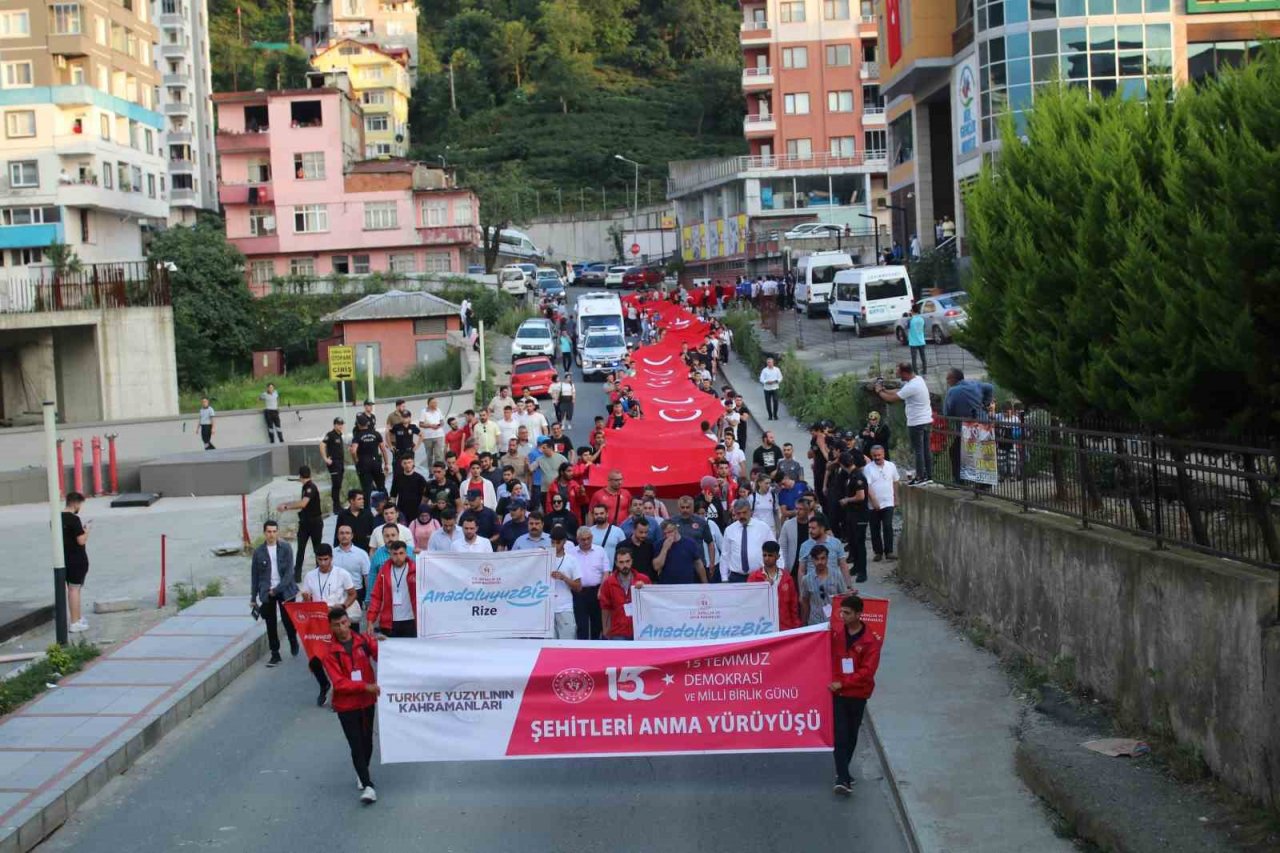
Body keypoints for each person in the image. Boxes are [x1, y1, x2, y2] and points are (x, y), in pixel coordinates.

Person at [321, 607, 380, 805]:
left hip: (367, 702)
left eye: (344, 623)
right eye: (336, 625)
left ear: (349, 621)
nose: (342, 628)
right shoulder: (330, 653)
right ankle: (368, 784)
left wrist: (388, 646)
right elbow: (339, 683)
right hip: (347, 706)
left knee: (367, 742)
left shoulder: (363, 641)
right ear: (331, 627)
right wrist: (366, 686)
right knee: (355, 744)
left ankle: (362, 771)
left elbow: (382, 656)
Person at [830, 594, 883, 796]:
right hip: (839, 693)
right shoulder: (835, 632)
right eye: (841, 611)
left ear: (859, 615)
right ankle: (842, 778)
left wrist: (842, 682)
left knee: (851, 735)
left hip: (858, 694)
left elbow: (867, 672)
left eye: (847, 613)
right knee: (841, 734)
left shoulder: (871, 642)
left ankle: (844, 772)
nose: (842, 616)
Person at [300, 544, 359, 706]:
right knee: (315, 659)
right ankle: (324, 684)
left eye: (326, 559)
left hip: (337, 619)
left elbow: (353, 593)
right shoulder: (310, 576)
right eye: (320, 560)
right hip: (319, 622)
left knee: (339, 658)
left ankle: (340, 693)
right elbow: (307, 600)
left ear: (331, 558)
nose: (323, 563)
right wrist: (306, 599)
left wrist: (344, 607)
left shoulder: (342, 574)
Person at [250, 520, 299, 666]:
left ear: (277, 532)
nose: (271, 534)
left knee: (288, 619)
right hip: (267, 592)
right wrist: (253, 597)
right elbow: (255, 576)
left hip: (285, 589)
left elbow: (290, 573)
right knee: (270, 624)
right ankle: (275, 654)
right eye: (269, 532)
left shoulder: (286, 548)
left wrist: (276, 589)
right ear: (264, 533)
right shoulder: (258, 552)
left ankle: (292, 639)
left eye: (274, 531)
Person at [877, 362, 934, 485]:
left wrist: (879, 392)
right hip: (926, 420)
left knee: (918, 450)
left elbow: (892, 399)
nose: (898, 375)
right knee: (926, 449)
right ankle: (929, 475)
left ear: (905, 373)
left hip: (916, 422)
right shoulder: (918, 380)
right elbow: (900, 391)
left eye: (899, 373)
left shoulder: (912, 386)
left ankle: (920, 477)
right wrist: (885, 389)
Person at [943, 368, 996, 480]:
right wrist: (985, 404)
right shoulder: (975, 384)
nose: (947, 381)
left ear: (953, 379)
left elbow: (947, 412)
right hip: (983, 424)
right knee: (983, 454)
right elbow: (990, 387)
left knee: (956, 452)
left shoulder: (952, 391)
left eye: (948, 378)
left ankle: (959, 481)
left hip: (967, 427)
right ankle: (984, 484)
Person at [277, 465, 323, 580]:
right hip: (306, 522)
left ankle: (319, 572)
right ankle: (297, 575)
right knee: (301, 549)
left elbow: (303, 504)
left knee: (316, 549)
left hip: (314, 523)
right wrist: (287, 503)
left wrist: (286, 507)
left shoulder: (310, 488)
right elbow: (300, 502)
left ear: (300, 476)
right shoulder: (306, 487)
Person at [366, 540, 416, 637]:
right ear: (390, 554)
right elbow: (376, 597)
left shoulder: (415, 570)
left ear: (406, 553)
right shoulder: (384, 571)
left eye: (401, 553)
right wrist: (370, 620)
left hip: (411, 619)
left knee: (411, 651)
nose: (398, 557)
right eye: (395, 554)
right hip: (389, 621)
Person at [599, 548, 650, 640]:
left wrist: (644, 590)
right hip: (618, 630)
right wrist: (606, 630)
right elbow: (605, 608)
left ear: (632, 561)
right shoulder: (608, 583)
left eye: (627, 561)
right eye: (621, 562)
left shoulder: (643, 579)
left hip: (640, 629)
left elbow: (651, 603)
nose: (625, 565)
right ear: (616, 563)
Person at [748, 541, 800, 630]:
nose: (767, 558)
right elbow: (749, 603)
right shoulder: (754, 577)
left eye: (770, 555)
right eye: (764, 555)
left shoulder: (787, 578)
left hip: (785, 626)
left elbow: (793, 605)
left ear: (777, 557)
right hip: (762, 627)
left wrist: (796, 627)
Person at [570, 526, 609, 639]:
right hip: (579, 592)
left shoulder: (600, 551)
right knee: (581, 624)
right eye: (583, 539)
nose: (586, 542)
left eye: (588, 538)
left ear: (592, 537)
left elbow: (606, 572)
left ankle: (596, 648)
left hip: (596, 591)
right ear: (578, 539)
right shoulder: (571, 553)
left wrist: (601, 590)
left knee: (597, 623)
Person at [721, 498, 773, 582]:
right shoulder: (729, 530)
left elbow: (774, 549)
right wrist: (724, 578)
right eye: (738, 513)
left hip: (759, 576)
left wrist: (776, 573)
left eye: (744, 512)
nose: (742, 516)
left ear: (750, 512)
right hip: (736, 578)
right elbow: (725, 555)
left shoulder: (763, 527)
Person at [62, 492, 92, 633]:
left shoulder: (56, 518)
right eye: (80, 504)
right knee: (74, 589)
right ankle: (74, 622)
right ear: (75, 503)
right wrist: (87, 530)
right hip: (76, 559)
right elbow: (81, 540)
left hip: (64, 559)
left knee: (73, 588)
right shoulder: (74, 520)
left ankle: (78, 618)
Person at [839, 451, 871, 582]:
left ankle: (862, 572)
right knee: (853, 541)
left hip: (860, 514)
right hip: (851, 514)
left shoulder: (857, 476)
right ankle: (856, 567)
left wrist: (847, 500)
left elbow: (861, 496)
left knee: (859, 543)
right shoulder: (851, 475)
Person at [865, 445, 900, 562]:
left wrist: (896, 497)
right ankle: (878, 552)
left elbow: (895, 482)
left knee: (888, 527)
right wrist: (874, 500)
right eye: (874, 456)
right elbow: (868, 486)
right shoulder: (868, 468)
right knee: (875, 528)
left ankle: (889, 551)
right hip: (873, 504)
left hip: (888, 502)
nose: (877, 457)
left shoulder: (891, 466)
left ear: (883, 454)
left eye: (879, 455)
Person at [799, 545, 849, 626]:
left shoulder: (837, 576)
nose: (820, 562)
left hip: (834, 622)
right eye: (817, 559)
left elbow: (844, 598)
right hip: (815, 623)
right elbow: (805, 602)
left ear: (827, 558)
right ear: (812, 560)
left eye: (823, 558)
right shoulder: (806, 579)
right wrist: (804, 624)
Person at [547, 526, 582, 639]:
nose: (555, 545)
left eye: (558, 542)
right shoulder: (544, 558)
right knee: (549, 646)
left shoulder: (572, 560)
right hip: (547, 609)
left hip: (565, 607)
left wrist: (564, 578)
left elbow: (578, 587)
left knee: (567, 643)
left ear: (565, 541)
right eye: (552, 542)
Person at [653, 519, 708, 584]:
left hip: (687, 585)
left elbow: (698, 564)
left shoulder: (690, 543)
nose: (667, 535)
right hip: (667, 586)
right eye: (665, 533)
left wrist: (705, 583)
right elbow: (656, 567)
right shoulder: (659, 544)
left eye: (670, 532)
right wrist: (664, 549)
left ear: (676, 529)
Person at [798, 515, 850, 582]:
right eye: (809, 528)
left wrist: (849, 586)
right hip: (813, 588)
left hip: (834, 587)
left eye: (813, 528)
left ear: (822, 528)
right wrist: (802, 591)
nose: (810, 531)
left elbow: (843, 566)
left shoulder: (836, 543)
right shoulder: (805, 546)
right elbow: (801, 571)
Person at [351, 417, 389, 499]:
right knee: (381, 486)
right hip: (375, 462)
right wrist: (386, 464)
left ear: (358, 425)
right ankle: (387, 504)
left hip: (364, 463)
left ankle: (367, 509)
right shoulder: (376, 434)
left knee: (367, 489)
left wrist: (356, 461)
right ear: (367, 424)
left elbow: (353, 450)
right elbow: (383, 450)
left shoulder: (358, 435)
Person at [332, 523, 371, 602]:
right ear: (338, 536)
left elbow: (367, 577)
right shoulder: (331, 554)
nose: (344, 536)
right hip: (335, 593)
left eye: (347, 533)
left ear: (352, 536)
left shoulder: (361, 554)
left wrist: (368, 597)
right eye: (341, 533)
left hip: (356, 592)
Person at [389, 454, 429, 523]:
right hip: (401, 511)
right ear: (401, 464)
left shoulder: (420, 479)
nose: (407, 465)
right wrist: (393, 511)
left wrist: (422, 509)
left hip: (416, 511)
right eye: (405, 463)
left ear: (413, 463)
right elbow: (393, 495)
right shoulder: (397, 478)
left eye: (409, 462)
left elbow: (425, 496)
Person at [319, 418, 347, 515]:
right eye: (338, 424)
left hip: (340, 463)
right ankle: (336, 507)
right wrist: (325, 458)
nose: (340, 426)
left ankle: (338, 505)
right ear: (334, 425)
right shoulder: (330, 435)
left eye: (341, 424)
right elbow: (322, 445)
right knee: (336, 485)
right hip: (334, 463)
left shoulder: (339, 435)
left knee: (338, 485)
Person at [906, 305, 927, 376]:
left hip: (913, 342)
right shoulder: (922, 319)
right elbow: (924, 327)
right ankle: (924, 371)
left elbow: (907, 328)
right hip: (921, 341)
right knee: (923, 357)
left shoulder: (910, 320)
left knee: (914, 359)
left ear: (912, 311)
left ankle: (916, 373)